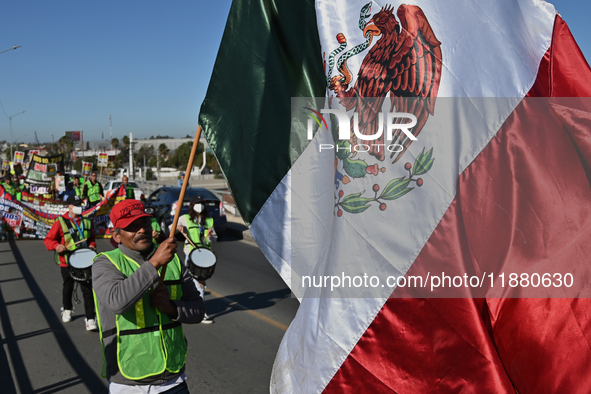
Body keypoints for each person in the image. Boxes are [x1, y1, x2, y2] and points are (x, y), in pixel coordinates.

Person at [92, 199, 205, 392]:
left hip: (173, 379)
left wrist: (171, 307)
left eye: (144, 223)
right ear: (117, 236)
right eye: (131, 227)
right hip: (129, 382)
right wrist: (155, 263)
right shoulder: (105, 263)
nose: (141, 230)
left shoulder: (174, 262)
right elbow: (117, 302)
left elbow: (198, 311)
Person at [43, 195, 98, 331]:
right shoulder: (60, 222)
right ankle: (67, 308)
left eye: (80, 204)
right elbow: (48, 240)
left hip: (84, 261)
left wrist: (92, 245)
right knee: (68, 286)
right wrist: (56, 246)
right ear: (69, 207)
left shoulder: (86, 221)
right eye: (76, 204)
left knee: (87, 289)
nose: (80, 206)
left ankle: (90, 318)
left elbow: (91, 238)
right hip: (67, 261)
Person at [175, 195, 216, 324]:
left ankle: (198, 309)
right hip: (191, 253)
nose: (200, 205)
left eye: (202, 203)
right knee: (195, 282)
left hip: (204, 254)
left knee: (198, 282)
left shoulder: (209, 220)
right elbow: (174, 227)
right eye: (197, 203)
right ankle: (197, 309)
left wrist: (210, 235)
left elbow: (214, 238)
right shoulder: (185, 218)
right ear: (192, 205)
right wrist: (178, 227)